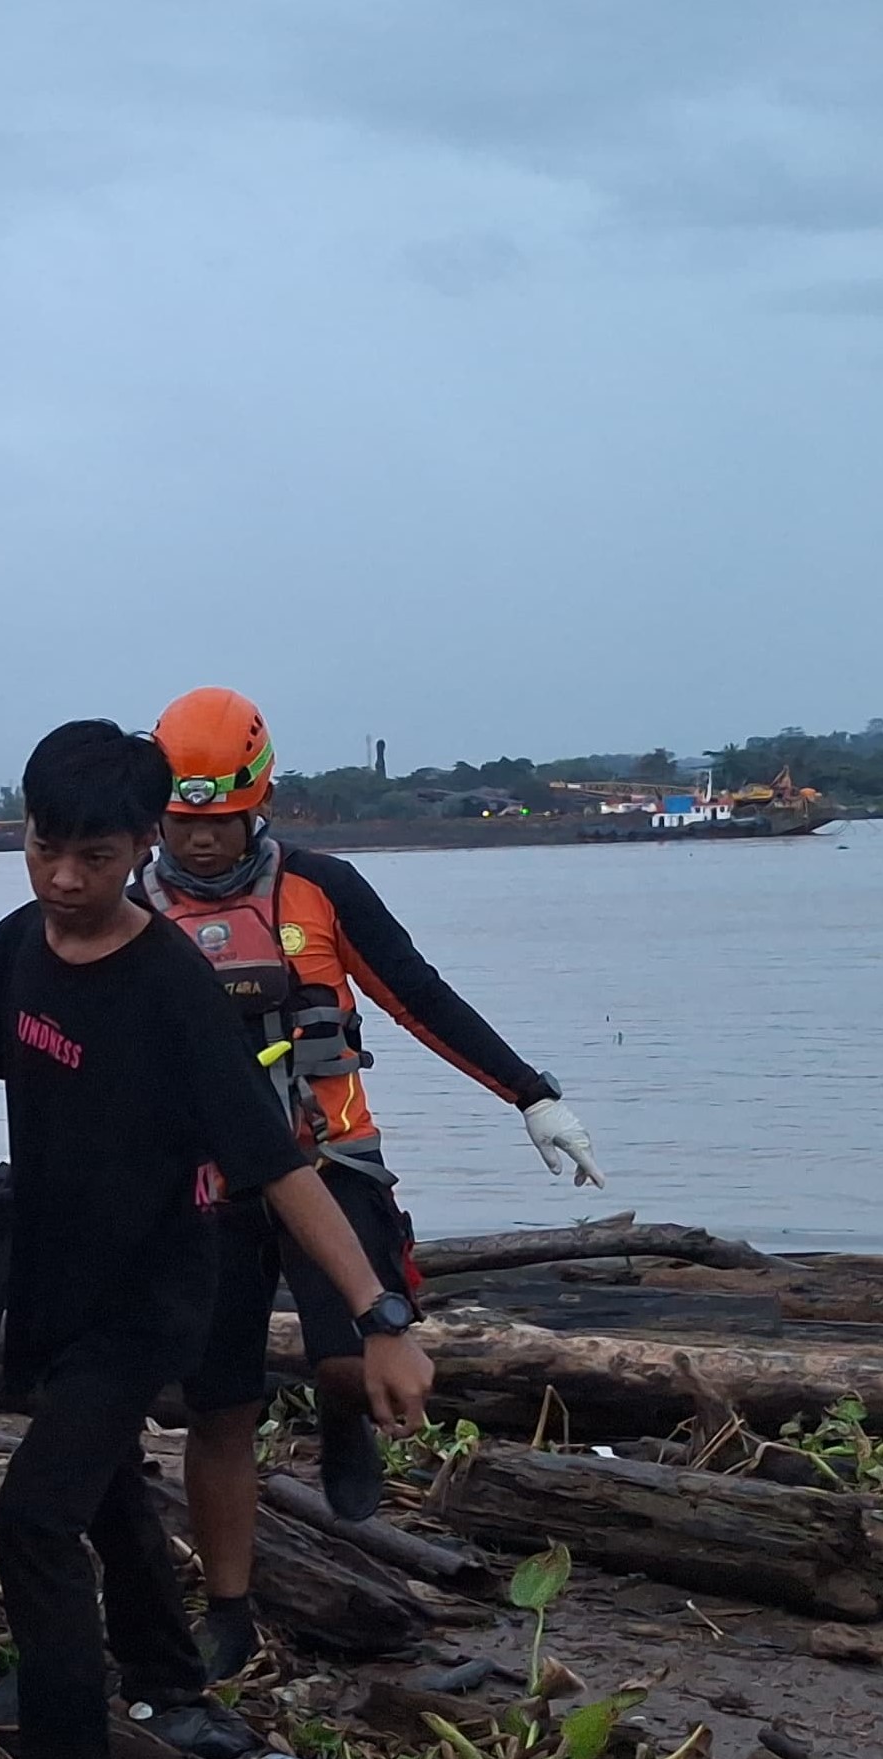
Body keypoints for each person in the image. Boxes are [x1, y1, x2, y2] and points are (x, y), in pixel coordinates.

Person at [0, 720, 410, 1759]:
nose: (66, 881)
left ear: (141, 850)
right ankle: (172, 1688)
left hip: (153, 1293)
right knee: (107, 1486)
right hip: (53, 1280)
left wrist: (377, 1313)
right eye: (46, 849)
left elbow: (278, 1163)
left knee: (32, 1514)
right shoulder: (18, 945)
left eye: (97, 858)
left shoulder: (171, 982)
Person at [148, 687, 600, 1679]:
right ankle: (227, 1611)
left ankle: (342, 1408)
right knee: (217, 1409)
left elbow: (417, 993)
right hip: (203, 1193)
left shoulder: (321, 889)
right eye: (184, 823)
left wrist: (528, 1093)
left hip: (330, 1160)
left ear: (254, 802)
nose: (204, 842)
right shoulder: (134, 912)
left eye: (219, 821)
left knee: (352, 1357)